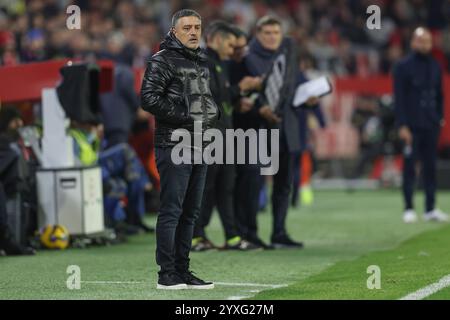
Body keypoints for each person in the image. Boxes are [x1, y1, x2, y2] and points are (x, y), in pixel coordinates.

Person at [141, 9, 217, 290]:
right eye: (187, 28)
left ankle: (183, 271)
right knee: (172, 210)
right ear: (174, 32)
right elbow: (148, 99)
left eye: (197, 27)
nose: (194, 32)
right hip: (173, 143)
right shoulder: (161, 60)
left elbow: (204, 100)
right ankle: (166, 274)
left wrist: (213, 115)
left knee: (191, 212)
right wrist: (186, 117)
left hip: (200, 143)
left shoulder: (201, 60)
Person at [244, 16, 317, 248]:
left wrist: (308, 100)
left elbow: (293, 89)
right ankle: (249, 233)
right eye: (267, 33)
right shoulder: (247, 57)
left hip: (287, 127)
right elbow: (241, 91)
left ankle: (279, 232)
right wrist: (259, 108)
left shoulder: (289, 53)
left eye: (276, 32)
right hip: (257, 127)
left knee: (284, 183)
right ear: (257, 34)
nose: (272, 37)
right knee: (253, 182)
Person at [192, 21, 260, 251]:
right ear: (217, 40)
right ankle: (195, 237)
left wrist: (236, 101)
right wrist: (239, 88)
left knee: (225, 187)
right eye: (230, 45)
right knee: (206, 188)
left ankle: (232, 237)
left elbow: (221, 99)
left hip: (224, 134)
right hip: (209, 134)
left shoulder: (220, 63)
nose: (233, 51)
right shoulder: (202, 62)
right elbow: (209, 98)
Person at [393, 27, 448, 223]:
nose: (424, 44)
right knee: (409, 166)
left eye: (427, 41)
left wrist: (439, 119)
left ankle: (430, 208)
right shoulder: (402, 67)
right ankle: (408, 207)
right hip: (411, 125)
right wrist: (402, 125)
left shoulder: (435, 65)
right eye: (420, 40)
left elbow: (440, 95)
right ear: (413, 42)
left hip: (430, 124)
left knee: (430, 166)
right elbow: (398, 99)